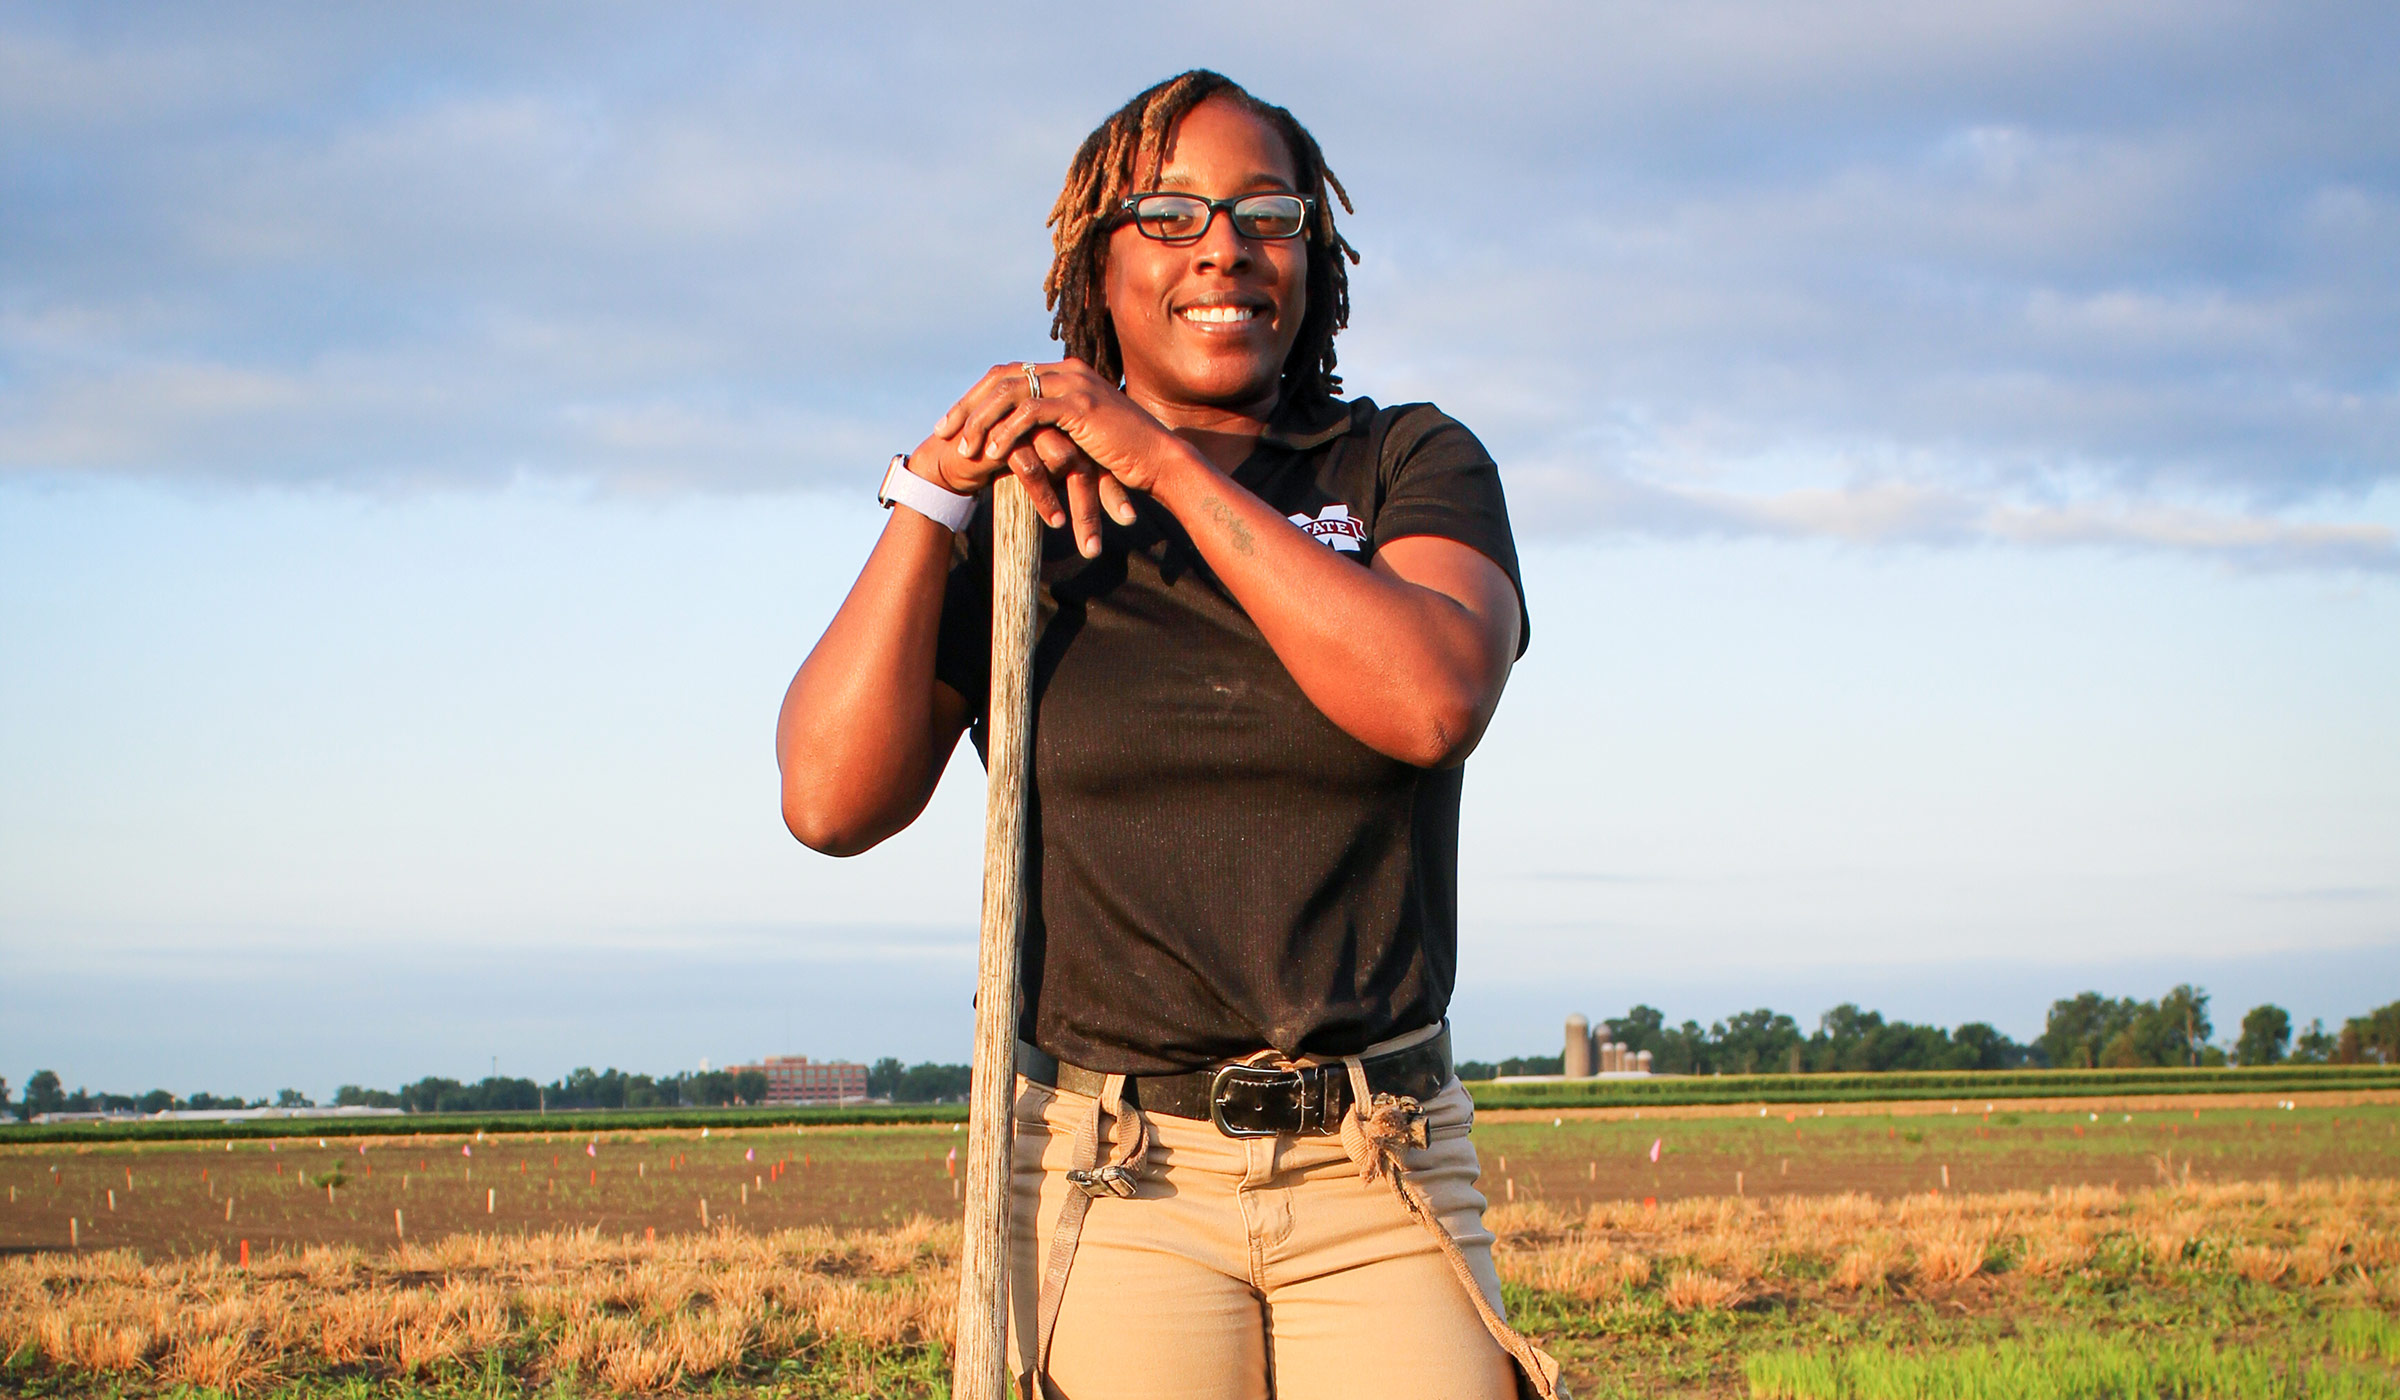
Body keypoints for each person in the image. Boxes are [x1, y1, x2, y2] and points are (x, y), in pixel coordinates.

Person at [777, 70, 1557, 1400]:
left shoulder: (1403, 465)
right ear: (1096, 259)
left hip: (1376, 1153)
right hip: (1111, 1163)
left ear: (1315, 254)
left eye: (1268, 212)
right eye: (1172, 213)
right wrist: (936, 495)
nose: (1226, 249)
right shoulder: (1028, 525)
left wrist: (1165, 463)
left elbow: (1433, 701)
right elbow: (830, 801)